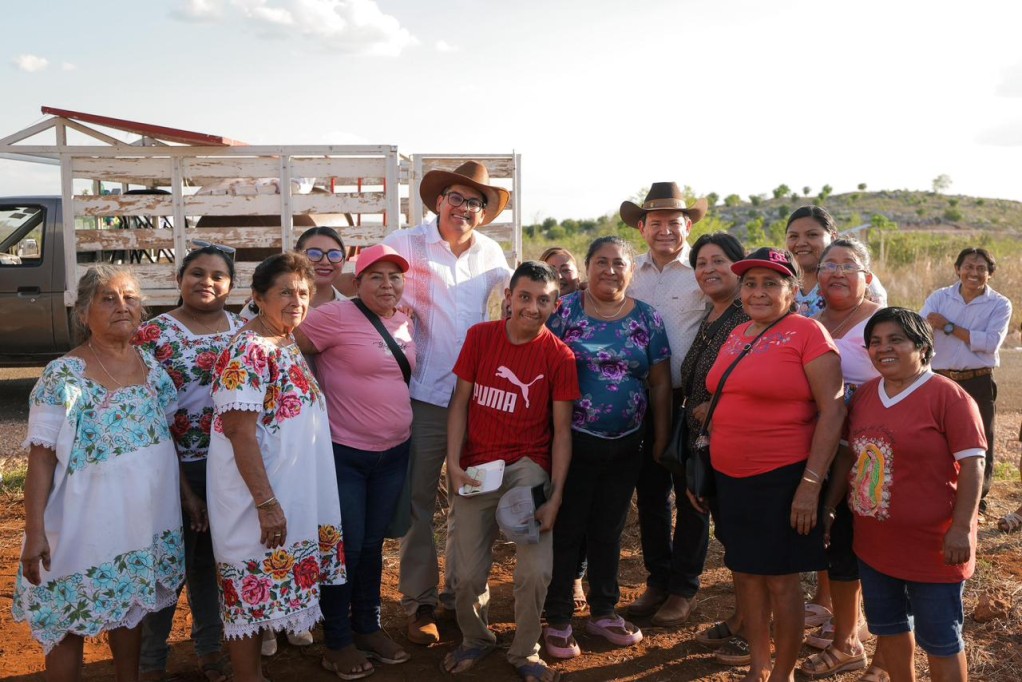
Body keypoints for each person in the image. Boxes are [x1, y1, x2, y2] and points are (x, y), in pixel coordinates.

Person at [14, 265, 184, 681]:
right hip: (77, 523)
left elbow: (165, 442)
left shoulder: (152, 369)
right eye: (108, 299)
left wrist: (189, 497)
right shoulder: (63, 375)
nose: (122, 306)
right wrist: (34, 532)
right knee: (66, 618)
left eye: (130, 298)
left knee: (130, 609)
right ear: (84, 313)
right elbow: (41, 459)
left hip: (138, 524)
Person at [695, 247, 845, 682]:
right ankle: (759, 668)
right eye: (750, 283)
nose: (757, 292)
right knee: (745, 574)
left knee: (780, 580)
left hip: (783, 476)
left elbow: (833, 411)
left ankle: (783, 673)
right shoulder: (738, 332)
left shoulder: (808, 333)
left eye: (771, 283)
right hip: (730, 476)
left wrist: (810, 485)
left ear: (793, 290)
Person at [383, 160, 512, 645]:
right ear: (439, 202)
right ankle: (419, 603)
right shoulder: (403, 244)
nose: (464, 208)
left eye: (475, 202)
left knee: (472, 501)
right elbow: (368, 290)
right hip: (422, 393)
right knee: (418, 501)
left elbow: (511, 304)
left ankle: (461, 595)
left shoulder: (491, 254)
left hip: (478, 399)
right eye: (456, 197)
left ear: (483, 213)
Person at [206, 253, 345, 682]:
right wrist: (266, 503)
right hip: (255, 498)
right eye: (285, 292)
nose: (296, 301)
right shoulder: (248, 349)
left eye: (303, 292)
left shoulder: (284, 341)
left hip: (287, 492)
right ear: (258, 296)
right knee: (246, 595)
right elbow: (239, 432)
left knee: (262, 592)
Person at [440, 261, 578, 682]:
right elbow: (460, 402)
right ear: (509, 298)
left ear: (555, 305)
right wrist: (453, 463)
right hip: (478, 467)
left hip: (527, 467)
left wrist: (555, 496)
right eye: (524, 297)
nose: (532, 307)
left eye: (543, 300)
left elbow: (561, 432)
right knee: (465, 575)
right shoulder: (480, 337)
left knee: (535, 571)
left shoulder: (559, 356)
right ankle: (476, 637)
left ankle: (525, 650)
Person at [839, 307, 985, 682]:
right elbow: (848, 457)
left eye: (896, 340)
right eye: (875, 342)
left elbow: (973, 465)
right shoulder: (866, 395)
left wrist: (960, 528)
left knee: (940, 640)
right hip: (874, 545)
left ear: (922, 347)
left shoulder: (949, 398)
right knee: (889, 629)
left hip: (934, 548)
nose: (883, 348)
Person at [543, 236, 671, 658]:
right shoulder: (564, 311)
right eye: (601, 261)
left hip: (627, 444)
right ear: (588, 266)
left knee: (608, 529)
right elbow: (541, 368)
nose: (610, 270)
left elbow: (659, 384)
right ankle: (558, 617)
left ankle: (603, 611)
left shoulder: (647, 318)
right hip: (572, 443)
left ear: (631, 271)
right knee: (568, 527)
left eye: (619, 263)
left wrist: (660, 438)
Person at [295, 244, 415, 679]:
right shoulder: (333, 316)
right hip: (344, 453)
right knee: (345, 545)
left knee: (372, 544)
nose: (387, 285)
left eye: (394, 276)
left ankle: (368, 627)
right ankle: (338, 641)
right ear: (357, 282)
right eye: (376, 276)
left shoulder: (405, 320)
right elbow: (284, 341)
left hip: (394, 454)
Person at [134, 245, 245, 682]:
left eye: (218, 276)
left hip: (228, 469)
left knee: (212, 565)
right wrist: (185, 489)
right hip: (169, 467)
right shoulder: (153, 334)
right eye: (197, 273)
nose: (206, 282)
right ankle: (150, 662)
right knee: (167, 565)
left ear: (231, 286)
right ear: (179, 279)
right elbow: (147, 417)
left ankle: (210, 649)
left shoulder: (242, 331)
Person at [620, 182, 710, 626]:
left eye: (674, 222)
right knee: (651, 493)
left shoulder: (702, 269)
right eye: (655, 222)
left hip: (690, 398)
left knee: (691, 491)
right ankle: (658, 578)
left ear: (688, 225)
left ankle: (683, 586)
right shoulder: (629, 271)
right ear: (642, 227)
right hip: (639, 397)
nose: (665, 230)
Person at [800, 239, 884, 680]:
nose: (836, 271)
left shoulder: (882, 322)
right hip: (821, 447)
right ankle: (848, 632)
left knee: (870, 541)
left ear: (867, 277)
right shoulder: (809, 324)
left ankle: (871, 642)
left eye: (848, 265)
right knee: (836, 540)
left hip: (872, 452)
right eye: (828, 265)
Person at [668, 233, 750, 663]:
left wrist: (717, 408)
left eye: (718, 261)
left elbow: (756, 377)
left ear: (739, 265)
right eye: (701, 263)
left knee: (741, 535)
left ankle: (753, 627)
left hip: (736, 441)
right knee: (723, 528)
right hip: (704, 442)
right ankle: (742, 617)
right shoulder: (711, 313)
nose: (708, 269)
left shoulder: (748, 313)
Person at [921, 247, 1011, 520]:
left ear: (990, 274)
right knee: (937, 438)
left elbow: (990, 343)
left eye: (981, 268)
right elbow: (921, 329)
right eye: (968, 267)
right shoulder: (940, 297)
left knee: (981, 440)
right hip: (940, 378)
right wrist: (932, 327)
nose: (974, 273)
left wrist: (947, 326)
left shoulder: (1000, 304)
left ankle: (977, 500)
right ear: (957, 269)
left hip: (978, 380)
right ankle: (939, 492)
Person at [785, 205, 887, 317]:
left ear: (833, 237)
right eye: (793, 236)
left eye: (812, 235)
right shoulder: (782, 282)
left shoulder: (860, 281)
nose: (801, 243)